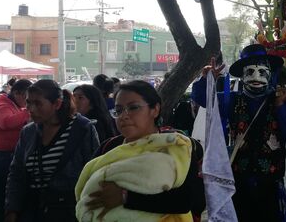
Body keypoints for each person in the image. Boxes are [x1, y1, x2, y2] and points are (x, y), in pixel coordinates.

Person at [191, 44, 286, 222]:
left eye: (262, 71)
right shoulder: (231, 100)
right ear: (242, 75)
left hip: (270, 185)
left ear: (270, 73)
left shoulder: (281, 100)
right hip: (238, 183)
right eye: (250, 71)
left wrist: (281, 106)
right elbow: (203, 99)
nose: (256, 77)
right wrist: (207, 80)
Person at [75, 80, 203, 222]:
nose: (124, 116)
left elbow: (187, 201)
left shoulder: (177, 146)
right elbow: (87, 193)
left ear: (154, 109)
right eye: (118, 110)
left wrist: (125, 197)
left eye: (133, 107)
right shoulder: (109, 148)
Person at [5, 79, 99, 222]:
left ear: (57, 104)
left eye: (38, 103)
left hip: (69, 211)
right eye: (29, 102)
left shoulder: (82, 129)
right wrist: (12, 210)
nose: (31, 108)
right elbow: (16, 172)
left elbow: (94, 173)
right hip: (32, 210)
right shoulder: (28, 132)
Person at [0, 79, 31, 222]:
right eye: (27, 97)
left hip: (12, 155)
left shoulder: (16, 106)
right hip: (3, 156)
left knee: (13, 194)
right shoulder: (2, 106)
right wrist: (28, 112)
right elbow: (6, 122)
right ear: (17, 93)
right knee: (5, 195)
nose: (28, 101)